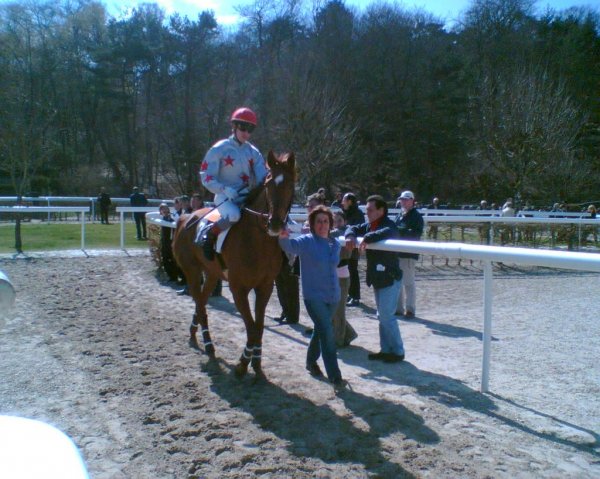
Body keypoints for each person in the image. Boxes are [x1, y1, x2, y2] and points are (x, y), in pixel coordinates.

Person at [279, 205, 346, 388]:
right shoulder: (307, 241)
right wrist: (282, 233)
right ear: (312, 223)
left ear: (330, 224)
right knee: (328, 334)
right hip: (314, 296)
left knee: (320, 330)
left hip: (333, 296)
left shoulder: (335, 244)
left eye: (325, 221)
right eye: (319, 221)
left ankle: (310, 362)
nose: (322, 225)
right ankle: (335, 375)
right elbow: (290, 246)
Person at [199, 107, 267, 260]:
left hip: (247, 197)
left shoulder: (253, 152)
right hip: (224, 197)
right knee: (234, 215)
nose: (246, 133)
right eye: (243, 127)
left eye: (250, 129)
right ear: (234, 126)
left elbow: (264, 177)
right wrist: (223, 189)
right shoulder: (219, 149)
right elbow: (206, 176)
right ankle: (210, 236)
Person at [345, 195, 405, 363]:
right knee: (382, 316)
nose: (368, 213)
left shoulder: (388, 225)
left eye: (371, 210)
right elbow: (353, 228)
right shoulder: (371, 225)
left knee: (386, 316)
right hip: (379, 278)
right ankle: (386, 349)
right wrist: (350, 236)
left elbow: (390, 232)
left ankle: (398, 351)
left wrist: (367, 237)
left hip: (389, 277)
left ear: (381, 211)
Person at [394, 190, 424, 318]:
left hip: (409, 254)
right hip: (397, 253)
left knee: (409, 282)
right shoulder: (399, 215)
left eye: (406, 199)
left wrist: (400, 231)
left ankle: (410, 309)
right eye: (402, 199)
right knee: (397, 282)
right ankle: (399, 308)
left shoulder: (416, 217)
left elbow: (414, 234)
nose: (403, 202)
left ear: (412, 201)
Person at [331, 210, 357, 347]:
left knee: (339, 310)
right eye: (334, 221)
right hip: (332, 275)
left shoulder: (345, 233)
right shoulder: (332, 234)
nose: (337, 224)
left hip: (341, 276)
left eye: (339, 220)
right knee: (333, 309)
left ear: (345, 221)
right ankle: (349, 334)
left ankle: (339, 340)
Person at [341, 192, 364, 307]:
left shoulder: (357, 214)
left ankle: (355, 297)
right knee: (348, 270)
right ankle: (350, 294)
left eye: (344, 200)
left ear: (349, 201)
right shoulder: (346, 213)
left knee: (353, 271)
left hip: (353, 247)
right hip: (346, 246)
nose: (342, 202)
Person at [158, 203, 179, 282]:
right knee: (165, 259)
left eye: (166, 208)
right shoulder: (162, 218)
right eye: (163, 209)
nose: (165, 210)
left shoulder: (171, 217)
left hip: (170, 241)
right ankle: (171, 276)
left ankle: (174, 276)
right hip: (164, 241)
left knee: (171, 258)